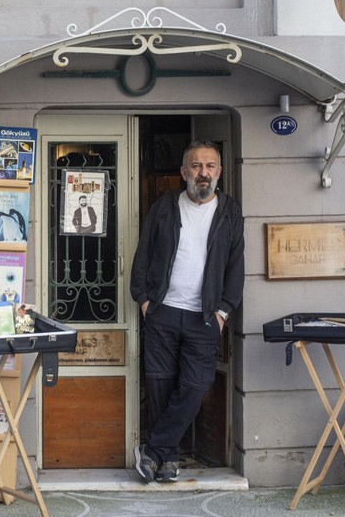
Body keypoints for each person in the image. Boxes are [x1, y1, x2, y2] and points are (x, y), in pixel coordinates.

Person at [129, 141, 244, 483]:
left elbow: (236, 266)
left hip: (204, 317)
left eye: (210, 166)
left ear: (219, 172)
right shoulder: (164, 206)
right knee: (161, 385)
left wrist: (223, 311)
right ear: (183, 173)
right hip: (163, 311)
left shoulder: (230, 212)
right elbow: (143, 255)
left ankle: (152, 450)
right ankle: (167, 460)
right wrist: (145, 301)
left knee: (195, 387)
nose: (203, 172)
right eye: (196, 166)